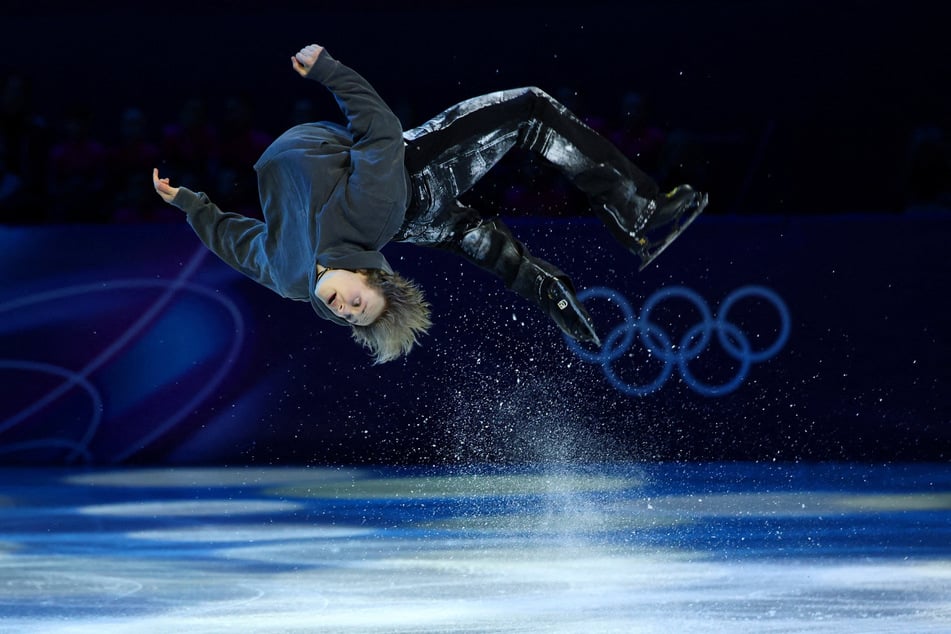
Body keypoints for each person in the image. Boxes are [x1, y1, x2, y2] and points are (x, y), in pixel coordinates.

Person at [153, 43, 707, 364]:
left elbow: (237, 244)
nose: (345, 310)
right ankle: (639, 214)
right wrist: (329, 71)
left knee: (479, 241)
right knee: (531, 110)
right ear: (368, 276)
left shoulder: (290, 278)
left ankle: (550, 292)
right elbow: (378, 128)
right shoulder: (365, 212)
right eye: (360, 304)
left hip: (410, 218)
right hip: (416, 176)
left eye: (349, 316)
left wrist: (190, 205)